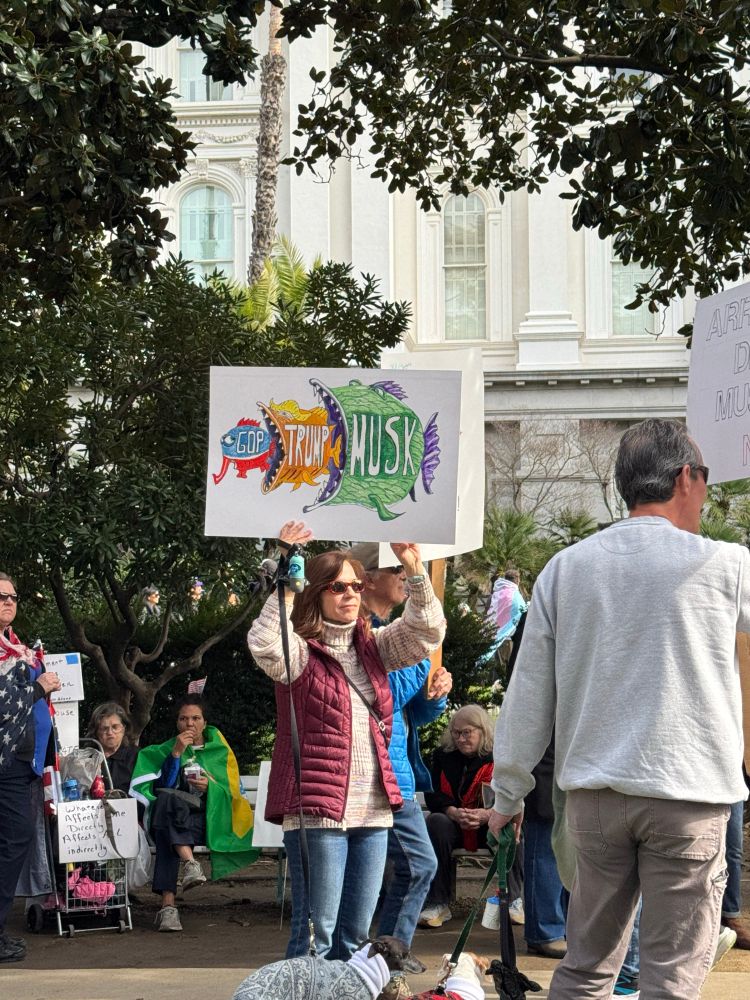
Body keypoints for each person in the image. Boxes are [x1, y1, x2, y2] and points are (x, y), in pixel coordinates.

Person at [489, 418, 750, 999]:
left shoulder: (566, 568)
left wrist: (507, 794)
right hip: (688, 793)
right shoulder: (728, 566)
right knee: (671, 976)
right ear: (686, 477)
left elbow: (528, 693)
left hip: (596, 798)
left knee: (585, 967)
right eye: (704, 478)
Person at [247, 521, 446, 961]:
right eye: (337, 587)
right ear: (316, 592)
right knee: (317, 935)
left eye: (356, 585)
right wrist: (285, 579)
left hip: (373, 809)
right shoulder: (298, 651)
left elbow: (428, 630)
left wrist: (414, 570)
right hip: (318, 812)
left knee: (356, 936)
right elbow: (263, 644)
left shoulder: (373, 647)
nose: (351, 594)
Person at [349, 542, 452, 1000]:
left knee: (414, 868)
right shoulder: (358, 630)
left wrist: (437, 693)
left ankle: (383, 965)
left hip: (398, 776)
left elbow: (413, 714)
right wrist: (420, 667)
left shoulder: (396, 632)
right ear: (367, 578)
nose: (403, 576)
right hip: (366, 776)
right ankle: (374, 968)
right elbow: (378, 689)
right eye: (396, 569)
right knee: (408, 869)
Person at [130, 695, 257, 932]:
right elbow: (160, 788)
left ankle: (168, 908)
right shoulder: (168, 749)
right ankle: (189, 864)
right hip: (175, 820)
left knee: (166, 829)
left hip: (206, 822)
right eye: (184, 719)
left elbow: (234, 794)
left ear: (205, 722)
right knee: (167, 804)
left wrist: (211, 788)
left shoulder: (220, 752)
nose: (190, 724)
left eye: (195, 718)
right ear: (177, 723)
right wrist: (176, 754)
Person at [0, 572, 61, 963]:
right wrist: (40, 687)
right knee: (12, 844)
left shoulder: (15, 647)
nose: (8, 601)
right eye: (0, 596)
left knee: (13, 845)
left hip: (22, 764)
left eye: (12, 596)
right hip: (6, 764)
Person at [419, 704, 494, 928]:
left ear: (482, 731)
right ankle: (439, 903)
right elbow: (433, 794)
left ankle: (513, 901)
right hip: (454, 825)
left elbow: (511, 796)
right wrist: (452, 811)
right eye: (456, 733)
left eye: (467, 732)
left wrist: (486, 815)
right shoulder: (444, 756)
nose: (461, 739)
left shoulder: (497, 756)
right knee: (436, 822)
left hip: (489, 825)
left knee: (512, 828)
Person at [86, 702, 139, 796]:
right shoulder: (86, 757)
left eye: (115, 727)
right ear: (96, 731)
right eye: (104, 728)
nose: (110, 732)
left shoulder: (137, 757)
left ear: (124, 728)